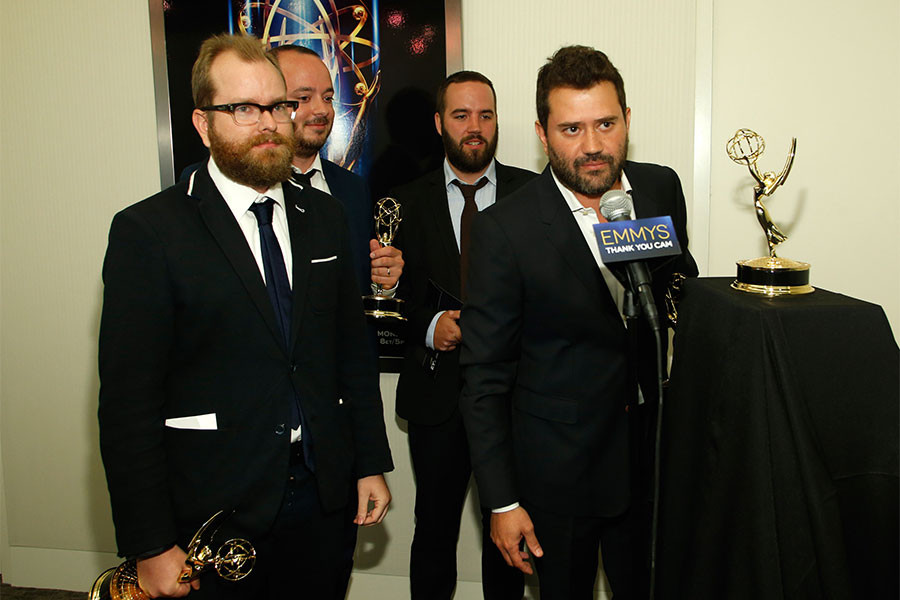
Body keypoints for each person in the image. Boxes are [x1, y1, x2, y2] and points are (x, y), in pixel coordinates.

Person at [98, 34, 393, 599]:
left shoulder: (325, 217)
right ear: (203, 124)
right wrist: (151, 544)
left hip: (322, 497)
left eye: (279, 106)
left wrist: (367, 463)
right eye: (244, 109)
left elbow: (350, 354)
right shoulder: (149, 233)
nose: (269, 123)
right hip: (210, 510)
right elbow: (128, 407)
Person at [458, 46, 698, 599]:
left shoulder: (659, 189)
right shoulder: (505, 230)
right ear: (542, 134)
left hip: (650, 460)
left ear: (628, 122)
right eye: (571, 129)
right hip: (557, 475)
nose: (592, 146)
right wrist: (503, 501)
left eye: (606, 124)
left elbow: (678, 286)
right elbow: (485, 376)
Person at [391, 71, 536, 600]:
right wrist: (430, 326)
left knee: (510, 535)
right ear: (438, 123)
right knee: (433, 533)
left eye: (486, 114)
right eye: (461, 115)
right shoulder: (401, 203)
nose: (475, 128)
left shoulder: (534, 195)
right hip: (438, 398)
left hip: (517, 398)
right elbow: (382, 298)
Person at [268, 44, 403, 295]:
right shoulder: (248, 190)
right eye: (304, 98)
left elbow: (360, 288)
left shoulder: (352, 188)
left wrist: (385, 283)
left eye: (328, 98)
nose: (321, 110)